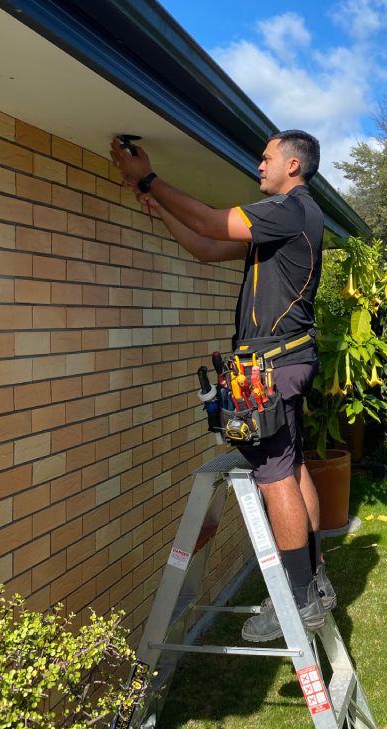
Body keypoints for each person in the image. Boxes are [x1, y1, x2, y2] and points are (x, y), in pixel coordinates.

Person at [110, 130, 336, 642]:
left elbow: (214, 220)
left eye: (267, 157)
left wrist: (148, 177)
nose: (259, 165)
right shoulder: (283, 228)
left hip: (272, 366)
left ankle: (297, 601)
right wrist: (159, 205)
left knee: (274, 474)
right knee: (292, 466)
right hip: (286, 360)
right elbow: (208, 246)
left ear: (294, 166)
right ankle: (315, 583)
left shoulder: (290, 209)